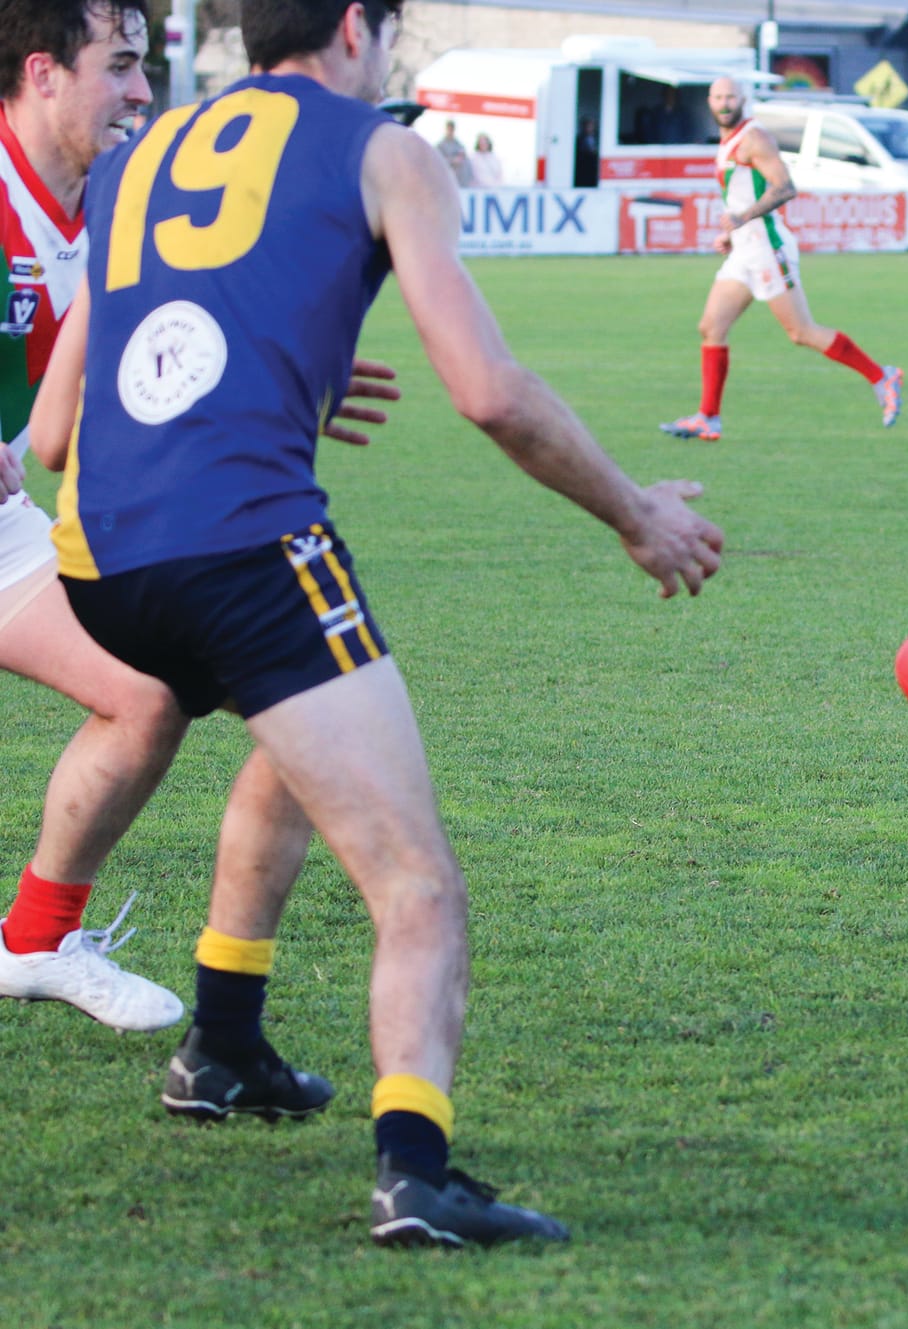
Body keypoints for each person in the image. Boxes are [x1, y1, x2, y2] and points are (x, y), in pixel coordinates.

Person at [33, 0, 723, 1246]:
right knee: (416, 880)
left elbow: (50, 430)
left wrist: (272, 370)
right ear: (358, 26)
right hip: (241, 550)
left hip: (99, 561)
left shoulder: (141, 155)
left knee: (290, 749)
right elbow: (489, 393)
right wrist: (637, 515)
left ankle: (223, 1046)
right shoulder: (383, 149)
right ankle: (417, 1174)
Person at [0, 0, 346, 1036]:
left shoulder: (117, 198)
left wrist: (281, 367)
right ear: (43, 73)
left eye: (144, 65)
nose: (142, 91)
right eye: (120, 64)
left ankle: (34, 941)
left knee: (151, 691)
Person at [660, 75, 901, 443]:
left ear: (743, 99)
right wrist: (732, 233)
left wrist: (742, 219)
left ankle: (881, 376)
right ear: (709, 101)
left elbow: (785, 187)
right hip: (745, 249)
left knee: (801, 332)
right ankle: (708, 418)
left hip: (767, 247)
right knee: (711, 326)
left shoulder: (754, 137)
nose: (724, 104)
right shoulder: (728, 140)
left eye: (730, 97)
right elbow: (742, 195)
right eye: (718, 97)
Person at [432, 115, 469, 186]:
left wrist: (459, 159)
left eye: (452, 128)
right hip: (444, 178)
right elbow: (437, 161)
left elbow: (463, 158)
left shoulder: (459, 145)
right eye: (449, 128)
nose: (450, 130)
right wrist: (452, 160)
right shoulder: (440, 145)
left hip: (458, 179)